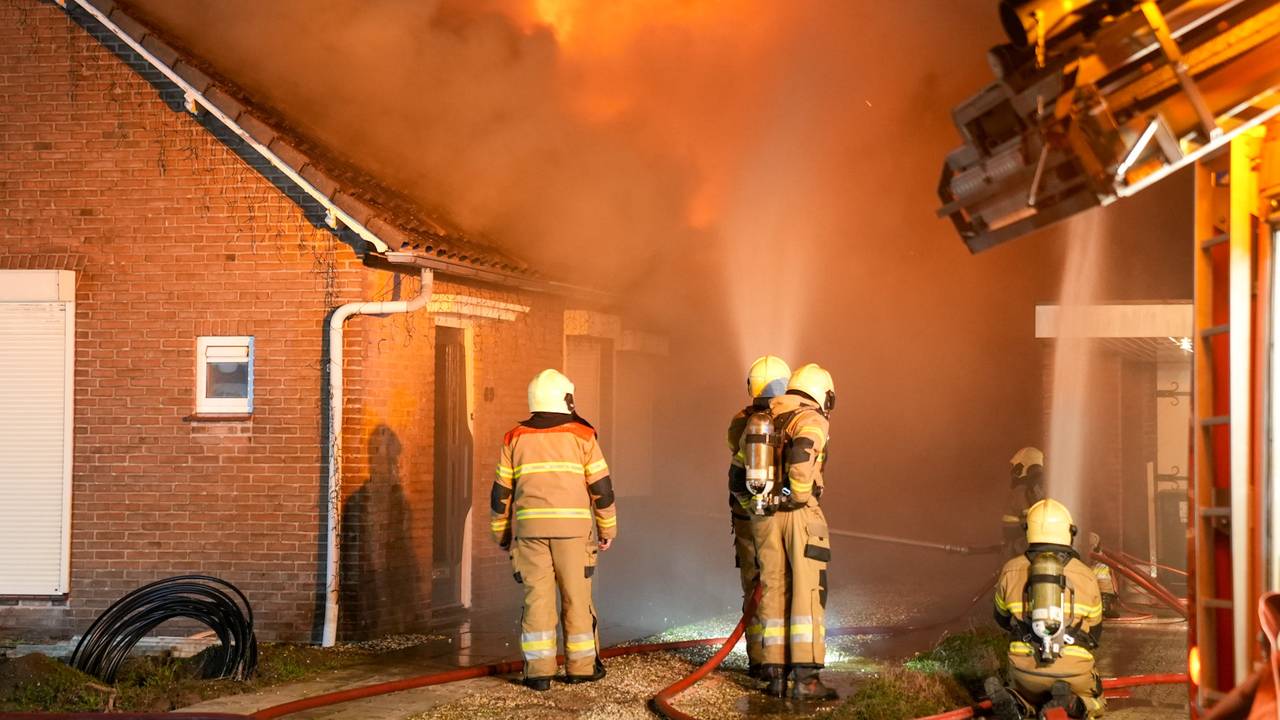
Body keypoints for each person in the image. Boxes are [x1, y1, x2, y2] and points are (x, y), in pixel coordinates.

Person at [489, 369, 617, 691]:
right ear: (567, 400)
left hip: (530, 534)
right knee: (576, 599)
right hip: (573, 534)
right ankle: (582, 669)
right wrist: (608, 528)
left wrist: (500, 534)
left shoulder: (514, 437)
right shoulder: (582, 436)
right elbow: (601, 488)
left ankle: (538, 674)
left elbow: (501, 493)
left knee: (537, 602)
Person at [749, 363, 837, 700]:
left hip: (764, 517)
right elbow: (802, 461)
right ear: (822, 394)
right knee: (807, 591)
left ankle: (775, 678)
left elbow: (739, 470)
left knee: (773, 589)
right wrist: (794, 494)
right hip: (797, 514)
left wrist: (765, 502)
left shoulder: (765, 417)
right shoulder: (812, 419)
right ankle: (807, 682)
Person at [987, 498, 1105, 719]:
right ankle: (1072, 703)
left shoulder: (1010, 569)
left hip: (1025, 670)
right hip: (1074, 673)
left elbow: (1000, 619)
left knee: (1022, 687)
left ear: (1028, 531)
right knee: (1098, 699)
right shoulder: (1087, 575)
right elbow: (1096, 633)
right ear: (1070, 532)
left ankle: (1018, 702)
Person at [726, 355, 792, 679]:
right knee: (780, 584)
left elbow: (732, 451)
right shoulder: (793, 417)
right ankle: (781, 661)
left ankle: (758, 659)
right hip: (781, 516)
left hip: (745, 514)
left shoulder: (744, 420)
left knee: (753, 584)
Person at [1003, 447, 1046, 556]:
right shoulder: (1043, 490)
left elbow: (1009, 531)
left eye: (1015, 466)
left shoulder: (1019, 493)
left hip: (1024, 553)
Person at [1087, 533, 1121, 619]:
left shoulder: (1102, 555)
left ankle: (1105, 608)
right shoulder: (1096, 554)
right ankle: (1105, 608)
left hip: (1096, 583)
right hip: (1097, 583)